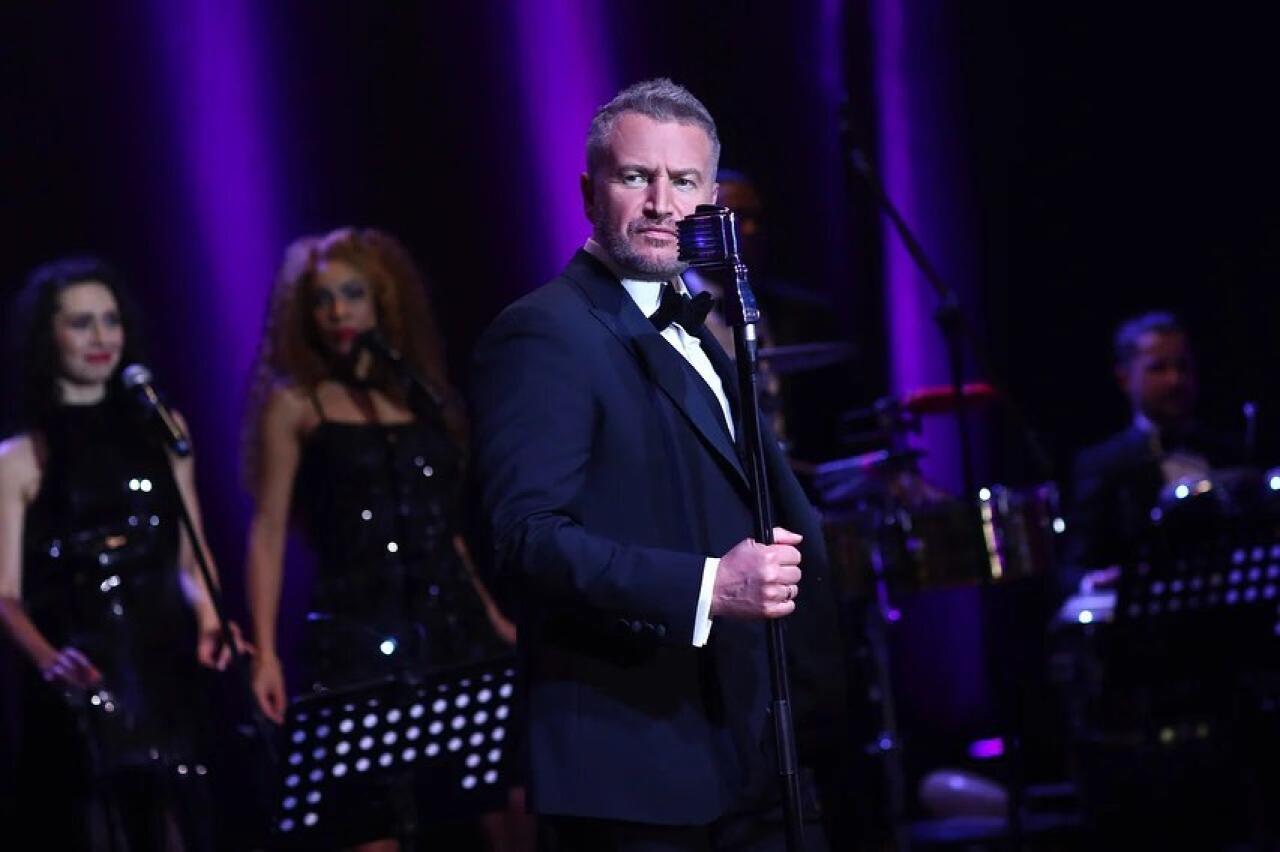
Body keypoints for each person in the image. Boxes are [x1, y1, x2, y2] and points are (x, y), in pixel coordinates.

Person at [471, 78, 845, 851]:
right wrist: (709, 586)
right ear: (589, 192)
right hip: (636, 768)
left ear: (711, 199)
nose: (661, 204)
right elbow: (524, 540)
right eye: (636, 177)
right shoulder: (544, 332)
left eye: (684, 181)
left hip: (752, 756)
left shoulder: (703, 327)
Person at [242, 227, 523, 852]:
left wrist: (492, 615)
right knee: (369, 812)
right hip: (357, 627)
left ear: (382, 300)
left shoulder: (419, 397)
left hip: (449, 618)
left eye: (352, 294)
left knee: (501, 796)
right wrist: (264, 652)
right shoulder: (296, 403)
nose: (338, 312)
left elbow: (443, 527)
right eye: (322, 300)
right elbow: (268, 529)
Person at [0, 256, 237, 850]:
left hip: (166, 668)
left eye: (110, 321)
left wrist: (211, 618)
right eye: (81, 324)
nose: (101, 337)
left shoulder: (163, 430)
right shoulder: (21, 457)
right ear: (48, 336)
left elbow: (189, 556)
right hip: (87, 679)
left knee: (184, 820)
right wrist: (48, 659)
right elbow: (4, 594)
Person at [1061, 310, 1246, 597]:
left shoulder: (1228, 451)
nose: (1175, 380)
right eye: (1158, 368)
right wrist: (1094, 582)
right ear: (1125, 378)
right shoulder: (1103, 464)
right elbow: (1073, 566)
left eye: (1183, 366)